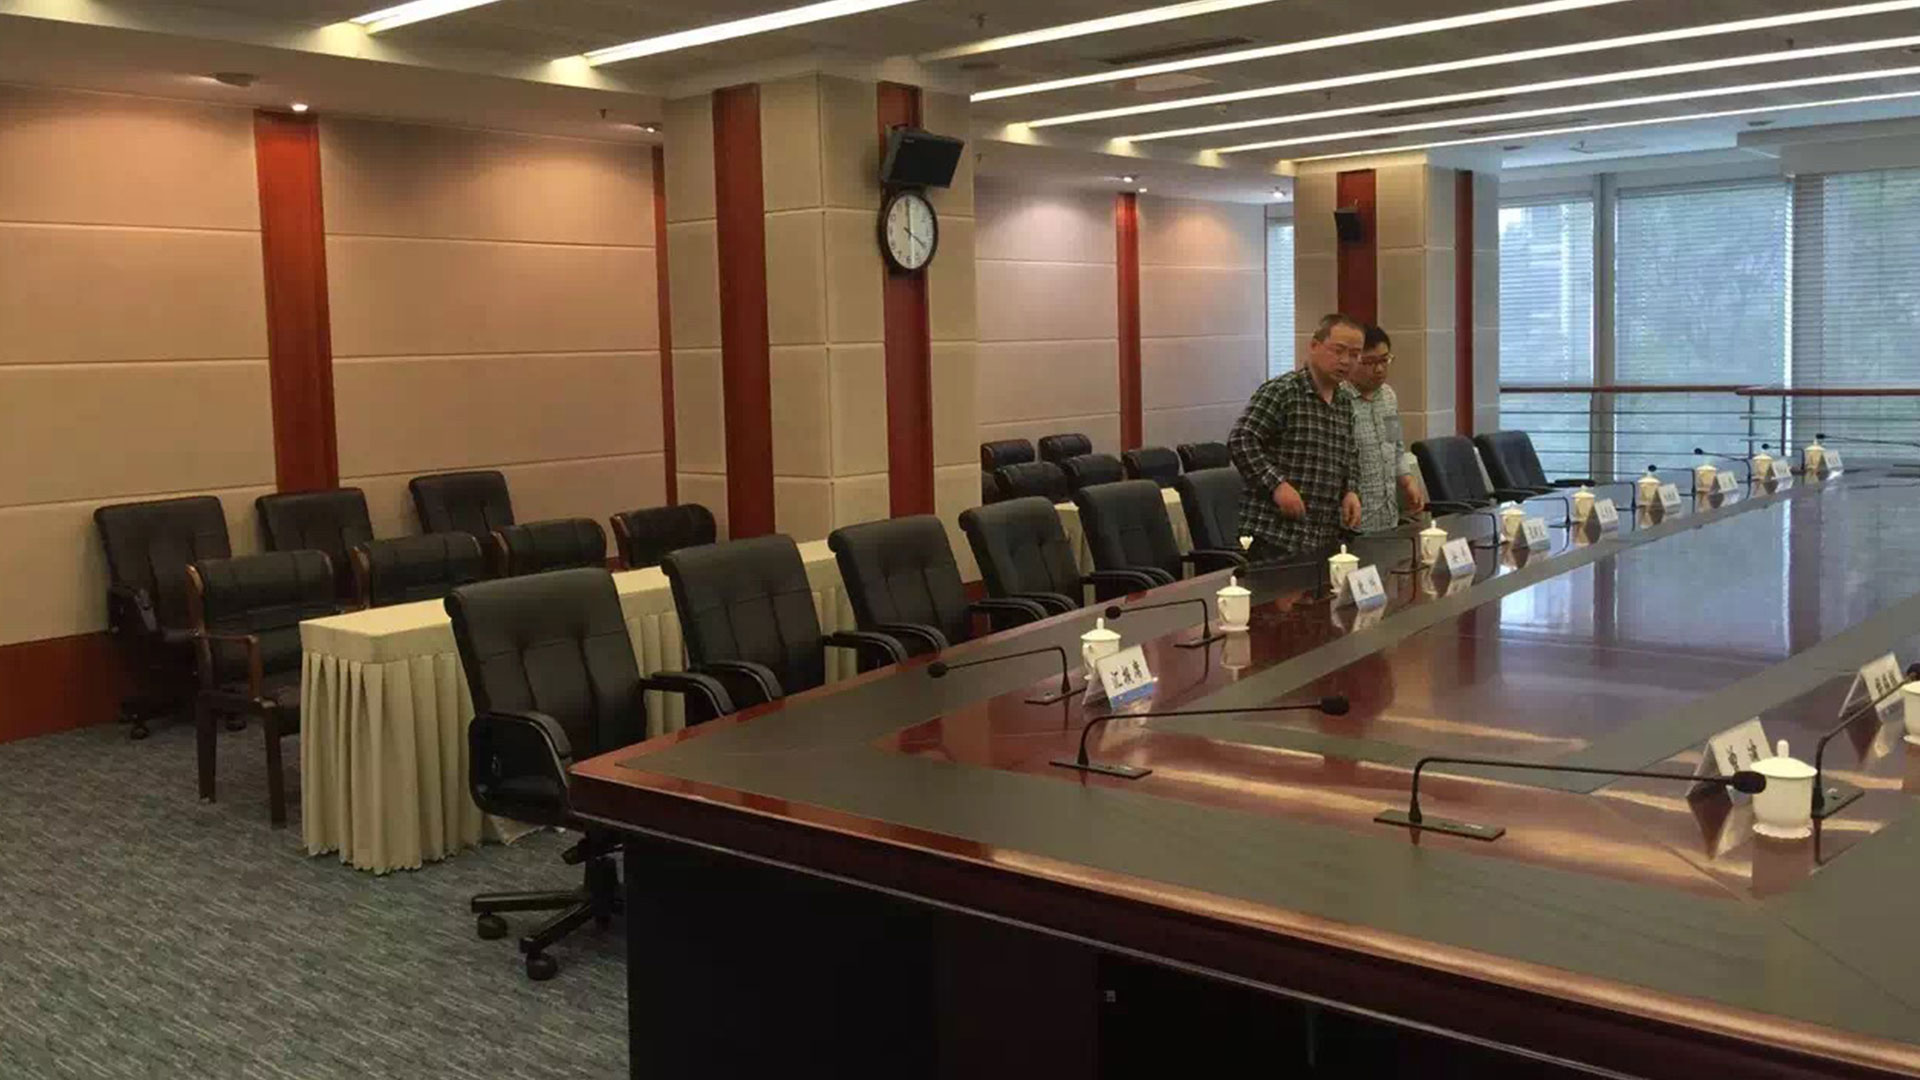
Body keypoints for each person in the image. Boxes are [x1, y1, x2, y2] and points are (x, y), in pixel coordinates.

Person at [1228, 313, 1364, 562]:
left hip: (1323, 535)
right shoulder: (1282, 391)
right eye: (1338, 351)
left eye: (1355, 354)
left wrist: (1351, 491)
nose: (1346, 361)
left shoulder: (1344, 401)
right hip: (1275, 535)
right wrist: (1277, 485)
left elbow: (1350, 454)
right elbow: (1241, 440)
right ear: (1314, 346)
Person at [1348, 325, 1426, 532]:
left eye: (1384, 360)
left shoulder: (1389, 396)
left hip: (1388, 517)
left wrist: (1407, 480)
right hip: (1353, 522)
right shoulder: (1338, 400)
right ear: (1353, 360)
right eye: (1370, 363)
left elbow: (1396, 444)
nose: (1379, 369)